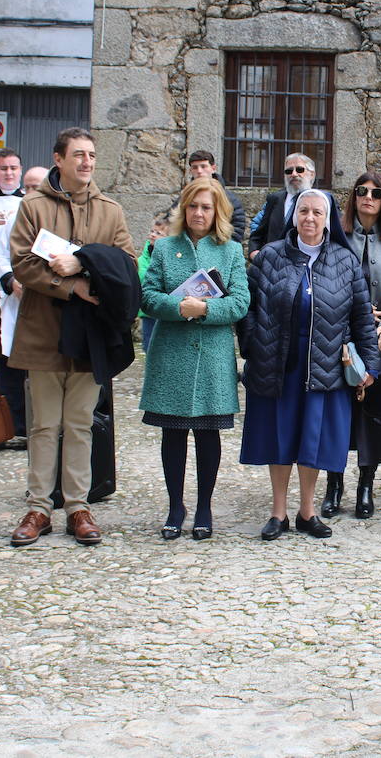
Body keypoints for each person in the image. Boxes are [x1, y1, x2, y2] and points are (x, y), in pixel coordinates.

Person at [8, 128, 136, 548]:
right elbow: (23, 263)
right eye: (78, 155)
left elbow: (127, 264)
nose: (86, 162)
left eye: (92, 155)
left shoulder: (111, 210)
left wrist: (83, 264)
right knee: (44, 424)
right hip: (43, 331)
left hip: (90, 336)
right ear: (58, 159)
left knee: (80, 423)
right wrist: (68, 288)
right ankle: (38, 507)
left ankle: (78, 506)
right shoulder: (33, 206)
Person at [239, 190, 377, 540]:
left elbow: (362, 317)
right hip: (278, 361)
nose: (310, 218)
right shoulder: (269, 256)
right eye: (304, 211)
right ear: (294, 215)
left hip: (325, 362)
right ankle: (278, 512)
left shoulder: (344, 261)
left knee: (312, 438)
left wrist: (369, 365)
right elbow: (248, 308)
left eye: (317, 212)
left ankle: (307, 511)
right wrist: (254, 344)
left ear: (328, 217)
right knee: (280, 436)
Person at [140, 179, 249, 541]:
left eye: (206, 207)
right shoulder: (164, 248)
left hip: (214, 356)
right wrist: (177, 307)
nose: (198, 213)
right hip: (171, 354)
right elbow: (148, 297)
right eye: (192, 206)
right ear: (183, 209)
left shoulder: (231, 251)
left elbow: (240, 303)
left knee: (207, 435)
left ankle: (203, 507)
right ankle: (175, 506)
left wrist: (204, 309)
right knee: (172, 434)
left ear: (217, 212)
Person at [321, 171, 381, 521]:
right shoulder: (337, 235)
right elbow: (329, 283)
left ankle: (365, 486)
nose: (368, 197)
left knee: (373, 411)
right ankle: (334, 485)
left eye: (376, 192)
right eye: (362, 191)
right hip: (339, 336)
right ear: (353, 196)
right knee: (338, 413)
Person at [0, 165, 47, 445]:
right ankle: (14, 426)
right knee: (10, 365)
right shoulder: (15, 217)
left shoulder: (55, 215)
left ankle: (39, 427)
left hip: (45, 304)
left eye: (37, 187)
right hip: (15, 301)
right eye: (28, 187)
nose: (31, 193)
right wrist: (11, 281)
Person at [247, 153, 316, 257]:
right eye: (289, 171)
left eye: (299, 170)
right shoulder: (275, 199)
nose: (293, 174)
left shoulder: (322, 201)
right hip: (272, 264)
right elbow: (258, 234)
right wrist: (254, 252)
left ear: (312, 174)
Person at [185, 150, 246, 244]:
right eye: (195, 167)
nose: (199, 171)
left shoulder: (230, 199)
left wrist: (222, 250)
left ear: (213, 168)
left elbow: (237, 228)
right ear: (190, 171)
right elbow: (173, 221)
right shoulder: (184, 197)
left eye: (203, 166)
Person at [136, 210, 169, 352]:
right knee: (148, 346)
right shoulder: (146, 254)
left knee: (162, 348)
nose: (152, 235)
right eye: (152, 231)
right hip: (147, 309)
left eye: (158, 233)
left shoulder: (167, 256)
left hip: (163, 309)